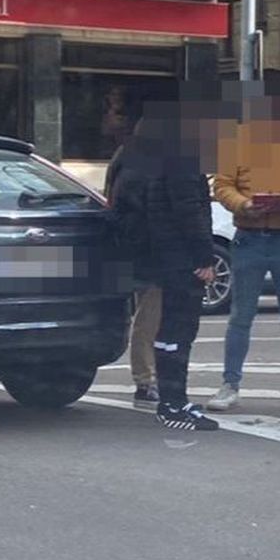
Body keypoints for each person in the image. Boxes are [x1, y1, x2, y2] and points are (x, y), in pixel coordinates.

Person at [109, 107, 219, 431]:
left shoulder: (152, 162)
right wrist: (204, 258)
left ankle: (171, 399)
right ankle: (174, 403)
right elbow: (189, 212)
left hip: (161, 256)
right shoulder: (182, 163)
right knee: (179, 332)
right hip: (181, 258)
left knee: (168, 330)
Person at [209, 140, 280, 414]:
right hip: (249, 238)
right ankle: (230, 384)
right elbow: (222, 185)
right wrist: (244, 204)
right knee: (241, 315)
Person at [105, 137, 161, 411]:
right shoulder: (144, 166)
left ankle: (147, 379)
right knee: (150, 318)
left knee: (147, 316)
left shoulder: (126, 157)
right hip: (149, 249)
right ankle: (147, 380)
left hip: (134, 247)